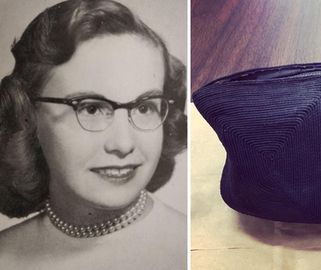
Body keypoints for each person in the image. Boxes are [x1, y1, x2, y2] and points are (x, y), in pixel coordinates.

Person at [0, 0, 187, 269]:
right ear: (27, 116)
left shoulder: (187, 249)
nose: (123, 144)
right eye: (91, 108)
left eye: (144, 107)